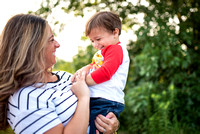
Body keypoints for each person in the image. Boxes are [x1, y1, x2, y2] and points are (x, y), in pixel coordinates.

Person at [0, 14, 119, 134]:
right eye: (51, 40)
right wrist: (83, 98)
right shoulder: (25, 99)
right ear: (32, 48)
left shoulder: (64, 76)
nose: (57, 44)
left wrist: (111, 124)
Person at [72, 11, 130, 134]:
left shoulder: (115, 50)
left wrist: (83, 81)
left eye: (98, 39)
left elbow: (105, 72)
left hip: (105, 101)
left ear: (115, 32)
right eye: (92, 41)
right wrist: (86, 68)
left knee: (96, 128)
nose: (95, 44)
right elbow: (95, 65)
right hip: (100, 99)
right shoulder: (103, 51)